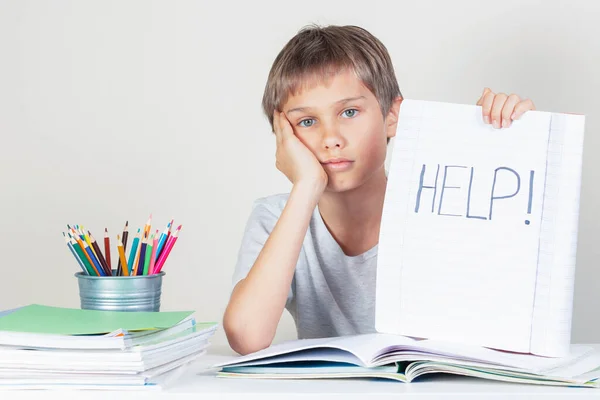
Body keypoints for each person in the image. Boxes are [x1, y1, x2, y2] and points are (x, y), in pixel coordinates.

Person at [223, 24, 536, 355]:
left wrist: (509, 143)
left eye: (349, 112)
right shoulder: (275, 218)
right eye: (307, 122)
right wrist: (306, 186)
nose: (331, 138)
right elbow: (247, 336)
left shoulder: (441, 205)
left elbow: (507, 322)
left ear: (392, 116)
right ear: (282, 134)